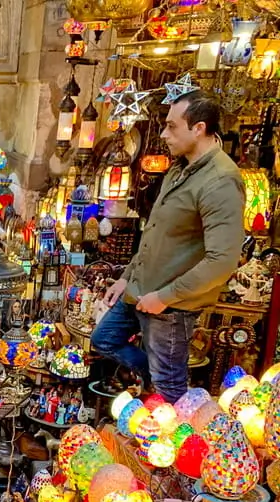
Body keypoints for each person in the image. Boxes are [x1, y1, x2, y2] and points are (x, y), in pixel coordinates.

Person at [91, 90, 244, 403]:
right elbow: (155, 234)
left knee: (170, 389)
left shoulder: (221, 181)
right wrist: (126, 277)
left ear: (198, 128)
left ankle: (166, 432)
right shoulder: (179, 168)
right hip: (140, 288)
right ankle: (154, 388)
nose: (163, 134)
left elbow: (222, 260)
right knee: (104, 340)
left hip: (170, 306)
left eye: (172, 126)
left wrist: (165, 297)